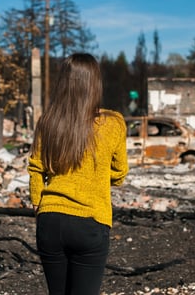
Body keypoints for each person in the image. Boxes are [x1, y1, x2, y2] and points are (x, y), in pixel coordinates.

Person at [28, 53, 129, 295]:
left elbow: (35, 167)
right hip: (90, 220)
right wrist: (99, 173)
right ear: (95, 83)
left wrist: (37, 203)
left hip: (50, 219)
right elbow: (120, 173)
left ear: (64, 82)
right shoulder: (113, 123)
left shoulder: (48, 121)